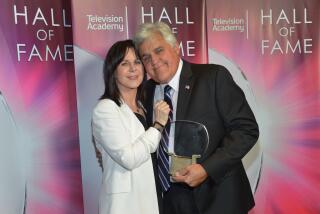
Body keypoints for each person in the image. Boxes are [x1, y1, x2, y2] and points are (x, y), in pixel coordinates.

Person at [134, 22, 260, 214]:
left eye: (159, 50)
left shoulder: (213, 77)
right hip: (168, 200)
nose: (154, 61)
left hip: (217, 198)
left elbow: (246, 130)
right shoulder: (145, 92)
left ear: (176, 47)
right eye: (146, 57)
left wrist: (206, 169)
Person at [91, 39, 170, 214]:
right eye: (124, 64)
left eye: (137, 62)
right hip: (126, 204)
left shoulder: (144, 105)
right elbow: (129, 158)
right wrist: (157, 125)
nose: (133, 69)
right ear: (113, 71)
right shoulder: (105, 109)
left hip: (153, 194)